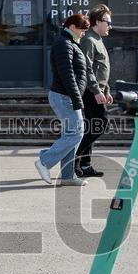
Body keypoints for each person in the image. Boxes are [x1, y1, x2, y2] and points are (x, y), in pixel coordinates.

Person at [35, 13, 91, 187]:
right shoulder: (64, 44)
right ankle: (44, 160)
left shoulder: (69, 43)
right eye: (82, 30)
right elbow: (67, 74)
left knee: (71, 134)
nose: (83, 34)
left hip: (66, 95)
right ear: (72, 27)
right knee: (76, 133)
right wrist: (76, 97)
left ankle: (67, 176)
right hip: (64, 96)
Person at [76, 6, 114, 178]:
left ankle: (85, 165)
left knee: (92, 126)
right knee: (101, 124)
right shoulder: (89, 40)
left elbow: (102, 70)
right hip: (90, 92)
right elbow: (87, 67)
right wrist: (97, 91)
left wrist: (106, 90)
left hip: (98, 91)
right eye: (108, 22)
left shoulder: (98, 39)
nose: (110, 26)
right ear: (98, 22)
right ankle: (75, 156)